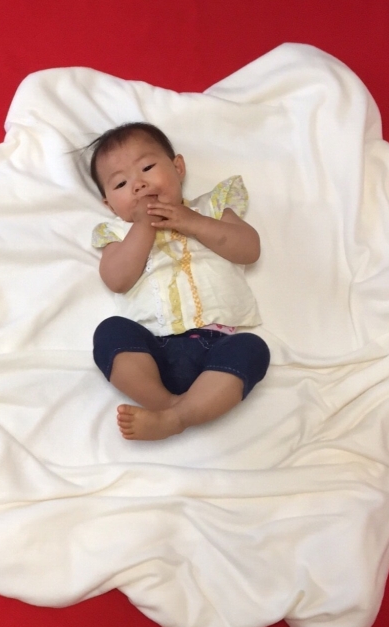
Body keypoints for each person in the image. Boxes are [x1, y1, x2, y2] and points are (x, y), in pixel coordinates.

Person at [88, 122, 270, 440]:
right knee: (110, 333)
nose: (139, 185)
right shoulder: (117, 232)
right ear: (109, 204)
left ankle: (176, 417)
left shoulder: (212, 207)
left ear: (178, 167)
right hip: (150, 351)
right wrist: (142, 227)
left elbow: (249, 249)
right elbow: (116, 279)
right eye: (121, 184)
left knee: (252, 349)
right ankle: (169, 406)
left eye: (147, 167)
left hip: (217, 344)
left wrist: (193, 221)